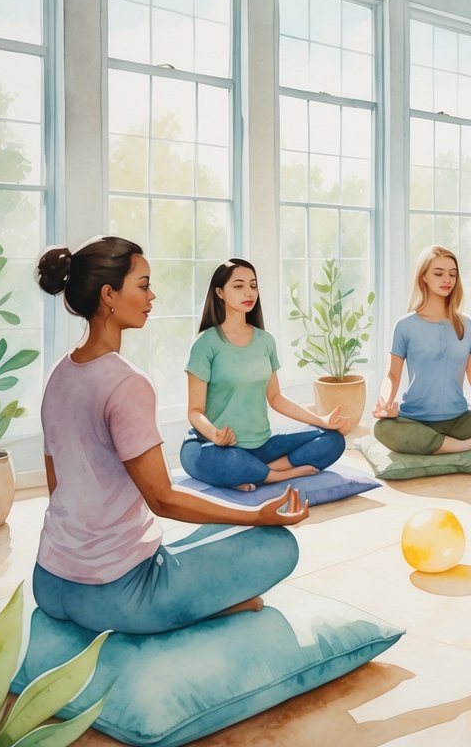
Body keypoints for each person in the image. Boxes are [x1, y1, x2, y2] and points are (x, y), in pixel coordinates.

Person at [33, 237, 308, 635]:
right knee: (278, 543)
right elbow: (163, 499)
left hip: (51, 581)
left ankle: (192, 600)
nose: (152, 295)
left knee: (214, 531)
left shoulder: (59, 373)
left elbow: (56, 488)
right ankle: (205, 609)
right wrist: (257, 515)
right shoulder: (127, 383)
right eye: (143, 285)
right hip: (116, 595)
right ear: (109, 295)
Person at [181, 258, 347, 492]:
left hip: (260, 444)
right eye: (238, 286)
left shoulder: (265, 341)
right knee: (229, 461)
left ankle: (259, 471)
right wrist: (216, 436)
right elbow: (194, 412)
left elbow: (276, 398)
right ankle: (274, 475)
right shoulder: (205, 343)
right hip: (212, 446)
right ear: (219, 292)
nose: (248, 292)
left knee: (333, 440)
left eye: (253, 285)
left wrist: (322, 421)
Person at [373, 245, 471, 454]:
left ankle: (441, 444)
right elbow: (392, 375)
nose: (446, 280)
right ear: (424, 278)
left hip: (459, 420)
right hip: (416, 420)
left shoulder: (467, 324)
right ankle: (468, 445)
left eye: (452, 274)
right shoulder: (405, 326)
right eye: (438, 274)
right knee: (383, 429)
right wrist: (385, 403)